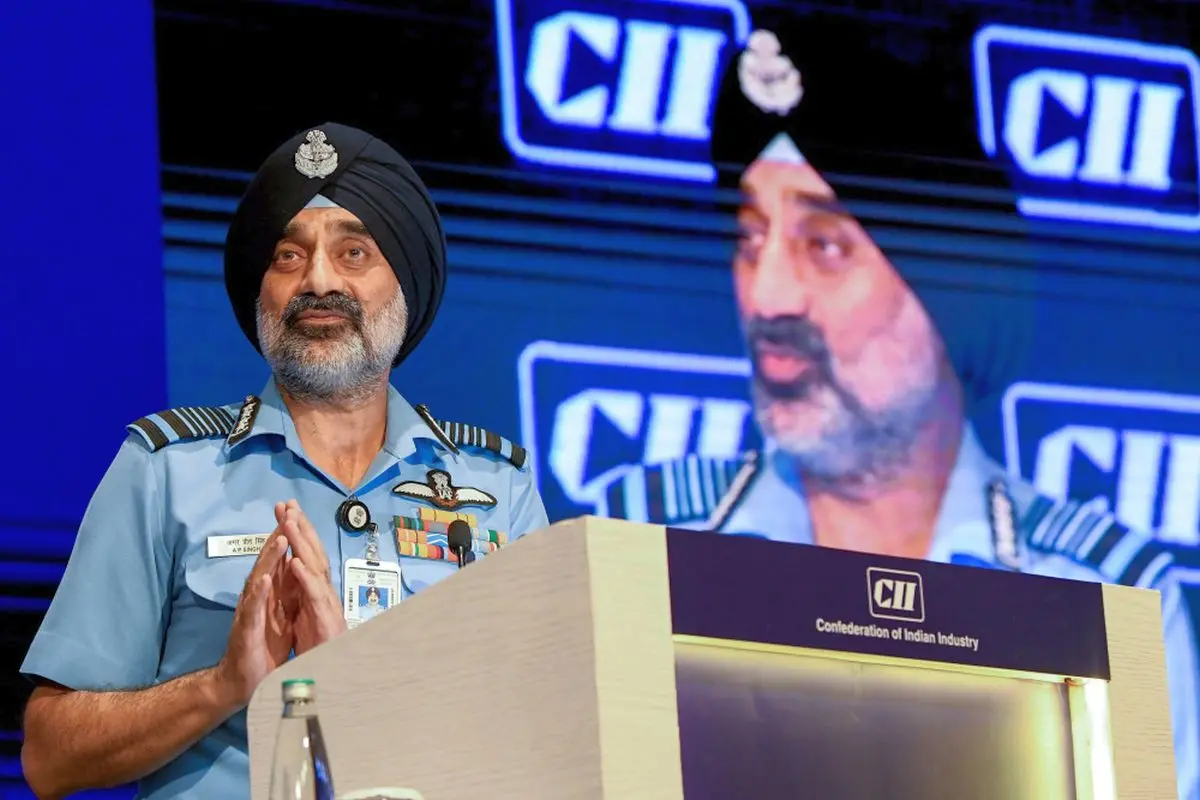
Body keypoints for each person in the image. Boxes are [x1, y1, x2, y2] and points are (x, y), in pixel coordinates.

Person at [600, 20, 1200, 800]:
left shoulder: (1106, 598)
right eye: (750, 239)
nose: (768, 297)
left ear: (956, 296)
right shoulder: (636, 541)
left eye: (825, 246)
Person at [19, 122, 549, 800]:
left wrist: (359, 687)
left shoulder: (498, 491)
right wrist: (222, 687)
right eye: (287, 257)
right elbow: (50, 756)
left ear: (406, 284)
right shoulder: (165, 471)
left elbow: (553, 733)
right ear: (261, 289)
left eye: (354, 252)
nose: (318, 280)